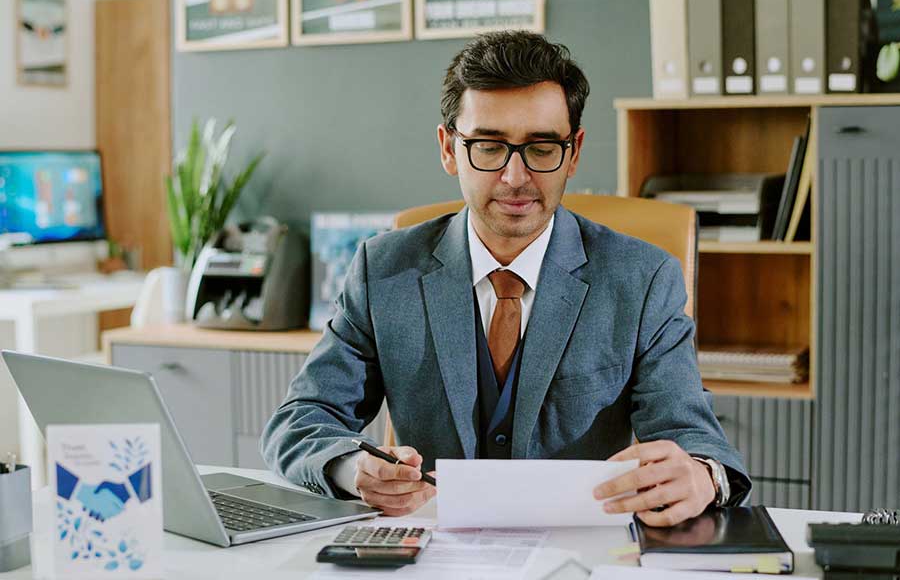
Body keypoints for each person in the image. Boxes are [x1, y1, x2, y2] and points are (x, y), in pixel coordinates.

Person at [261, 31, 750, 526]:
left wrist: (702, 474)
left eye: (541, 148)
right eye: (490, 147)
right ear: (449, 148)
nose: (516, 177)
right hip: (432, 550)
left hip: (578, 549)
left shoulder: (643, 280)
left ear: (574, 151)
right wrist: (352, 468)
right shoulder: (383, 270)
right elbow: (300, 421)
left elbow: (694, 436)